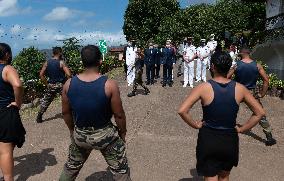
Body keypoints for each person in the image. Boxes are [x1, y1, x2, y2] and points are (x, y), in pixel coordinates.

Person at [178, 51, 265, 181]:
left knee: (210, 176)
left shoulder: (203, 87)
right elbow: (260, 112)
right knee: (224, 176)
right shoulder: (240, 88)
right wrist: (242, 128)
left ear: (212, 67)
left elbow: (182, 110)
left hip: (209, 138)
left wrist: (195, 124)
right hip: (229, 139)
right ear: (229, 67)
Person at [59, 45, 131, 181]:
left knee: (70, 168)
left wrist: (72, 131)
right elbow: (119, 115)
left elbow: (65, 112)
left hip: (80, 135)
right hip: (105, 135)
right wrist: (122, 133)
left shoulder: (68, 84)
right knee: (121, 171)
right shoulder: (109, 85)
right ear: (100, 61)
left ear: (82, 62)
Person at [227, 48, 277, 146]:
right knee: (260, 113)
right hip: (251, 93)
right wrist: (262, 93)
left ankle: (223, 131)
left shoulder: (236, 65)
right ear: (249, 53)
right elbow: (266, 80)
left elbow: (227, 77)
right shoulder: (257, 65)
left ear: (241, 53)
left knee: (228, 110)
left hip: (238, 91)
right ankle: (269, 137)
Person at [0, 43, 26, 181]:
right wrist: (18, 102)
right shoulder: (7, 68)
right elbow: (18, 84)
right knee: (6, 150)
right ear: (7, 55)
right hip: (5, 112)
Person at [36, 47, 71, 123]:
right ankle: (72, 115)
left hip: (51, 85)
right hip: (60, 85)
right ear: (60, 53)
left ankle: (39, 116)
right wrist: (66, 81)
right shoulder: (61, 62)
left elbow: (41, 75)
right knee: (68, 99)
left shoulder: (47, 62)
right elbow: (68, 74)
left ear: (53, 53)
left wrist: (47, 84)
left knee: (46, 100)